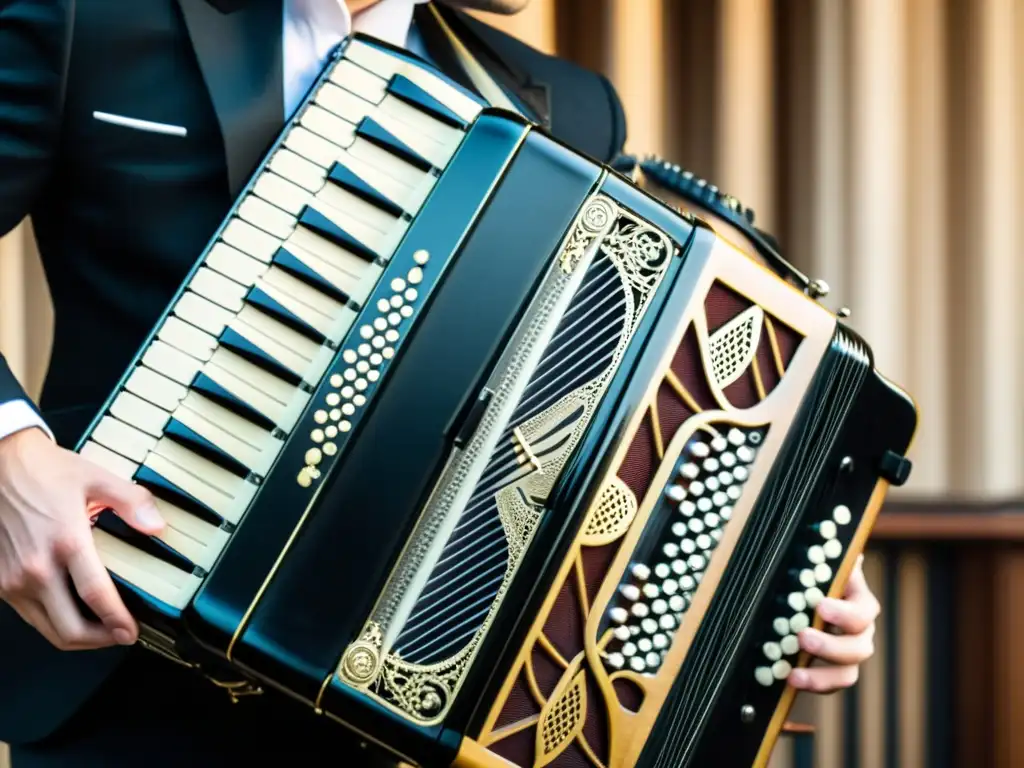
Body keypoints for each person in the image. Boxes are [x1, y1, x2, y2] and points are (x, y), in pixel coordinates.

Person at [0, 0, 878, 763]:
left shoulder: (562, 105)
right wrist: (11, 455)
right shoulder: (90, 15)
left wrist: (767, 596)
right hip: (128, 671)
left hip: (432, 725)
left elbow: (594, 432)